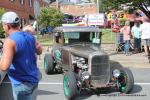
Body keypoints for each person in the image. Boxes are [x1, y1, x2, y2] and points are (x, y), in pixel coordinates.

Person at [0, 11, 42, 100]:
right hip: (34, 79)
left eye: (3, 25)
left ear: (7, 26)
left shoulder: (10, 41)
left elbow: (4, 67)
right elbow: (39, 51)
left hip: (21, 84)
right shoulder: (30, 36)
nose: (3, 27)